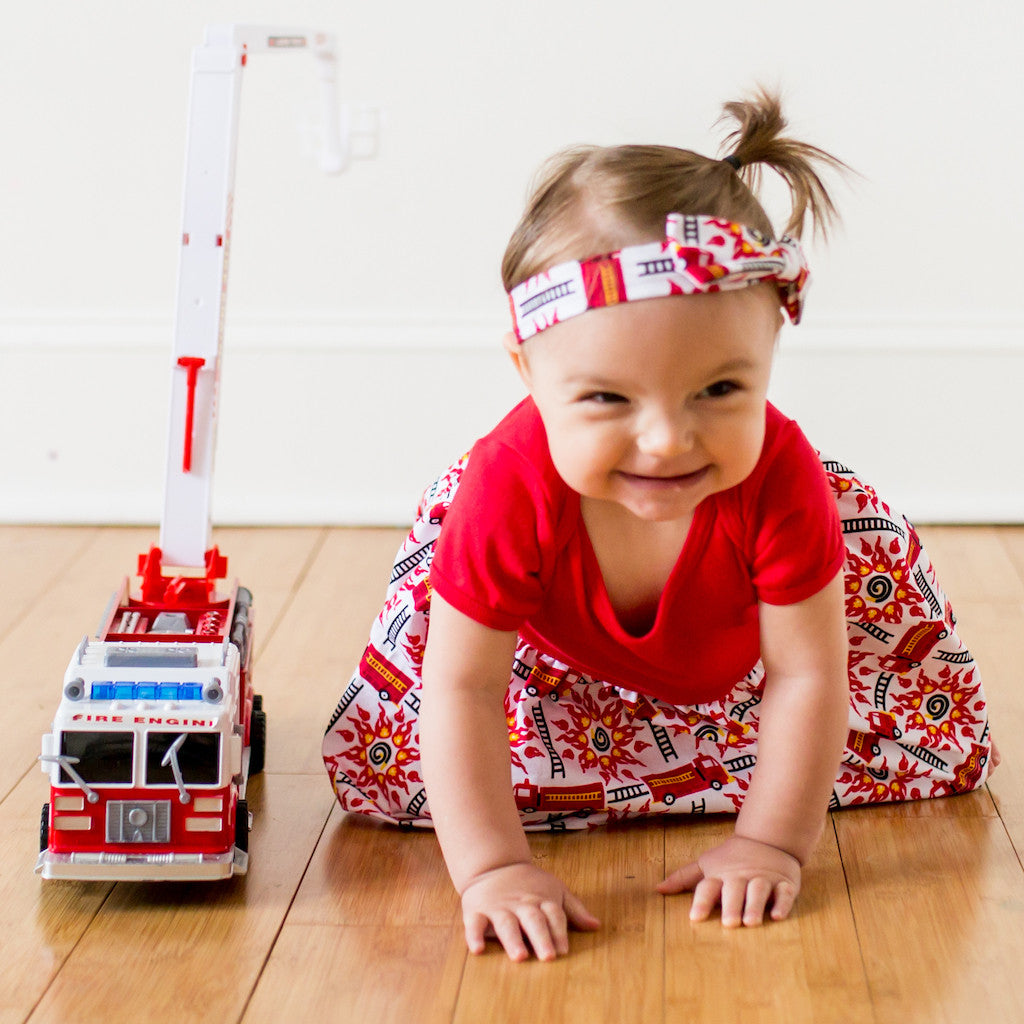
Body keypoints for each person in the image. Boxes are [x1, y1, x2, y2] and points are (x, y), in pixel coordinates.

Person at [322, 90, 995, 962]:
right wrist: (490, 867)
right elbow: (461, 689)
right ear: (528, 369)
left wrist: (771, 842)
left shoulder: (781, 477)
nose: (668, 439)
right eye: (606, 397)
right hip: (554, 681)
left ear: (768, 358)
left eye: (719, 390)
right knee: (413, 776)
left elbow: (806, 675)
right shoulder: (509, 484)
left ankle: (718, 781)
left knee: (918, 750)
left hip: (747, 682)